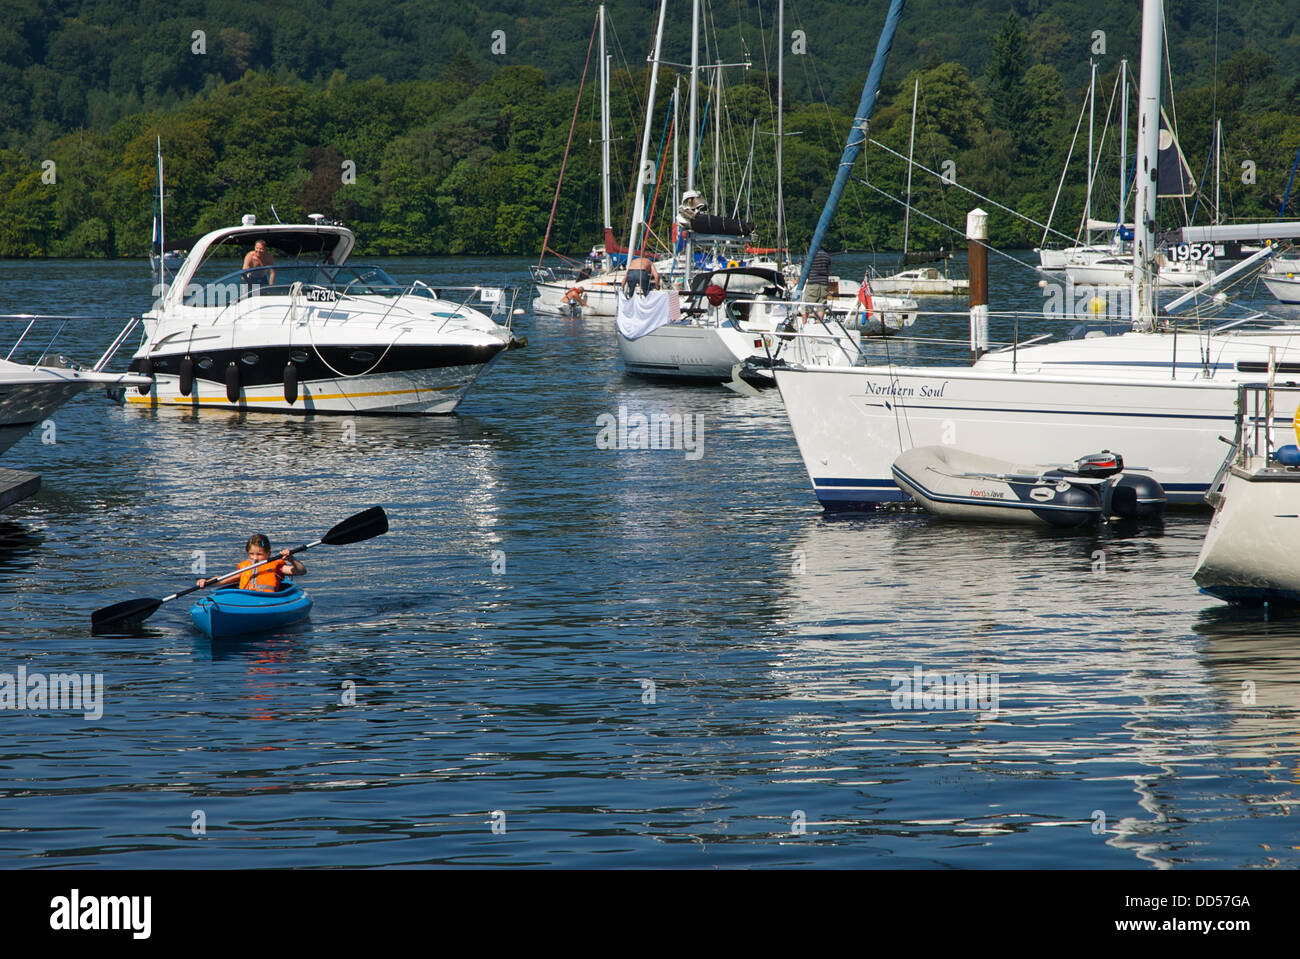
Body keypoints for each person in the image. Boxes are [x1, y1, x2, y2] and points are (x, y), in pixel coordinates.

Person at [197, 534, 305, 592]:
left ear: (268, 554)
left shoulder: (276, 567)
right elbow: (223, 579)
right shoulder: (245, 567)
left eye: (259, 554)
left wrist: (291, 559)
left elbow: (300, 571)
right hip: (246, 598)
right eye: (251, 554)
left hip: (267, 600)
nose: (255, 558)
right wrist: (206, 582)